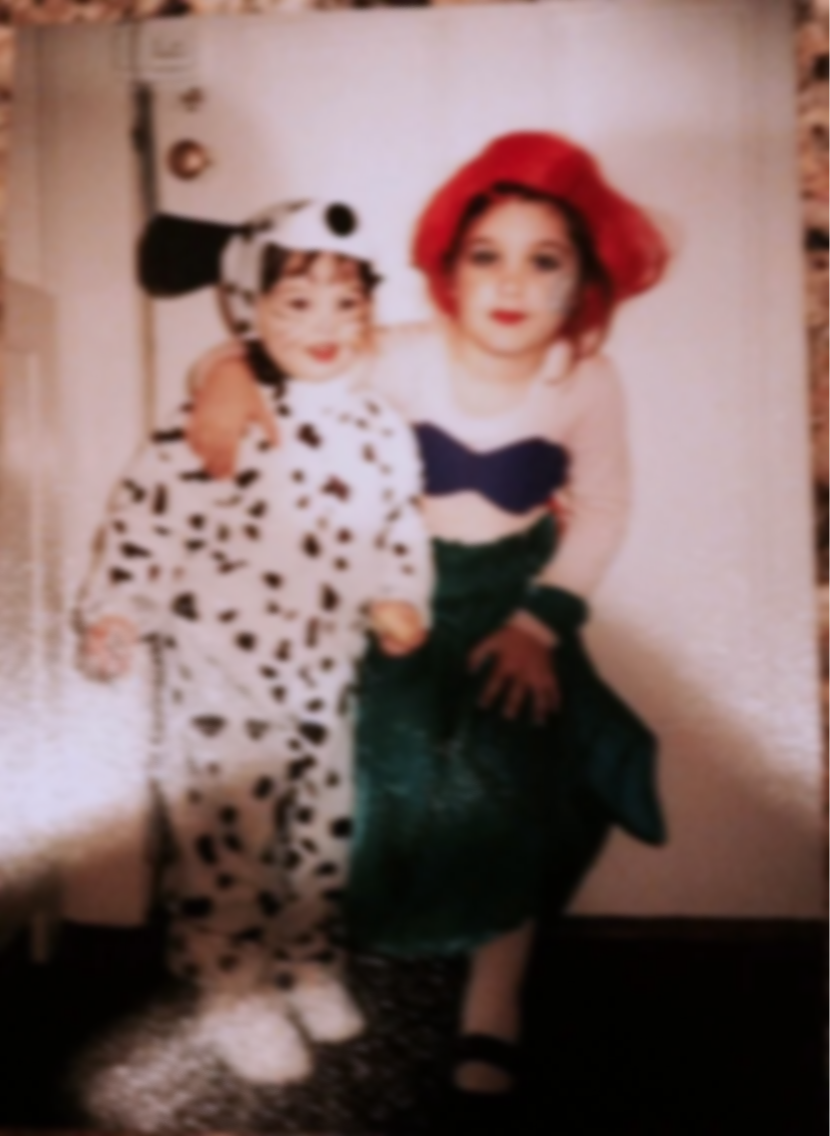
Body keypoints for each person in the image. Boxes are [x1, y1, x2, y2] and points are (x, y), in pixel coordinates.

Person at [184, 132, 669, 1129]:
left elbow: (607, 505)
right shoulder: (401, 353)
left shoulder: (585, 379)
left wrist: (541, 621)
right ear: (446, 271)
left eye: (544, 260)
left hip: (508, 606)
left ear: (582, 284)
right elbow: (289, 354)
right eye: (486, 253)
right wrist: (225, 368)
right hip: (392, 597)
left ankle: (494, 996)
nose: (511, 282)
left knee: (516, 778)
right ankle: (340, 959)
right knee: (373, 778)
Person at [75, 198, 432, 1087]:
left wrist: (399, 596)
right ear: (248, 311)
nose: (324, 325)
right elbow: (147, 522)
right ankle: (229, 988)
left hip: (326, 677)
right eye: (296, 303)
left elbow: (400, 527)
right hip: (224, 679)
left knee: (319, 836)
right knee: (227, 844)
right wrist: (120, 610)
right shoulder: (216, 418)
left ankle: (305, 962)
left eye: (345, 304)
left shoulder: (382, 429)